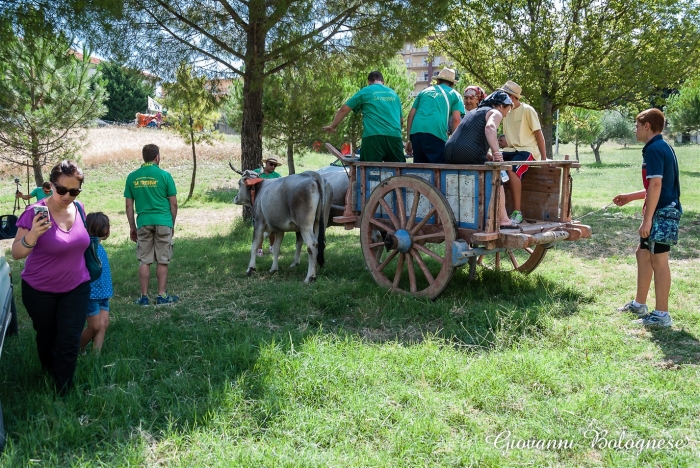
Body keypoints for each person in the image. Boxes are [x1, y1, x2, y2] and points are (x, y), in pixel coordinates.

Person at [11, 160, 90, 394]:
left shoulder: (79, 209)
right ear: (51, 186)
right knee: (47, 337)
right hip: (39, 291)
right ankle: (48, 372)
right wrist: (33, 234)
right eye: (62, 189)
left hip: (77, 286)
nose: (67, 195)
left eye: (74, 191)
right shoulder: (33, 213)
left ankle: (63, 390)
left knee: (69, 338)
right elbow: (16, 253)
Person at [614, 108, 681, 328]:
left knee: (659, 260)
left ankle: (662, 314)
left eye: (637, 125)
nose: (635, 129)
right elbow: (656, 186)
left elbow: (657, 185)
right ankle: (639, 304)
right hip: (659, 210)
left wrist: (647, 219)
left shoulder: (654, 149)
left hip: (663, 213)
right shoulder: (660, 146)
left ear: (647, 126)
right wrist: (630, 197)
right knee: (643, 254)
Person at [443, 90, 519, 228]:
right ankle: (503, 219)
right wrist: (496, 153)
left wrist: (487, 155)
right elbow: (490, 128)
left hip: (449, 151)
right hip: (467, 152)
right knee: (498, 178)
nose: (506, 114)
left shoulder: (473, 112)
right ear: (501, 106)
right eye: (508, 109)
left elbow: (471, 135)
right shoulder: (495, 112)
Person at [124, 144, 179, 306]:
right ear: (157, 157)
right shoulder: (165, 176)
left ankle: (144, 297)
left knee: (145, 260)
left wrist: (132, 227)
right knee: (162, 259)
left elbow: (129, 206)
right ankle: (161, 295)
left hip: (144, 222)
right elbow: (174, 204)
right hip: (163, 221)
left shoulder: (132, 177)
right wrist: (171, 224)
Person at [323, 71, 405, 163]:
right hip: (394, 137)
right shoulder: (394, 94)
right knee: (399, 172)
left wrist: (333, 126)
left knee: (370, 172)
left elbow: (344, 109)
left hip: (373, 137)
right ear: (383, 81)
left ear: (369, 82)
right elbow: (401, 121)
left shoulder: (365, 91)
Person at [499, 80, 547, 224]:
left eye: (504, 95)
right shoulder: (504, 111)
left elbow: (539, 134)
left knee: (513, 169)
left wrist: (543, 159)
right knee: (490, 165)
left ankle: (517, 212)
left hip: (527, 150)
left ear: (513, 97)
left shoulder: (527, 110)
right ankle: (497, 211)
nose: (501, 97)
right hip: (510, 150)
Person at [405, 67, 465, 164]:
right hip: (436, 134)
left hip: (416, 134)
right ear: (453, 84)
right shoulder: (455, 94)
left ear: (437, 80)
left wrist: (409, 139)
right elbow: (456, 120)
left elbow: (411, 115)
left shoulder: (424, 92)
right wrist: (454, 144)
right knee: (438, 170)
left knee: (420, 171)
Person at [80, 212, 112, 353]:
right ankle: (75, 350)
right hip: (91, 294)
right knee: (95, 326)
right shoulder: (88, 247)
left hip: (103, 292)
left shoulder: (99, 246)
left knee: (104, 324)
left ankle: (96, 357)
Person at [253, 156, 283, 256]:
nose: (273, 167)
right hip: (259, 203)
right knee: (259, 227)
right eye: (271, 164)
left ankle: (272, 247)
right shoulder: (257, 172)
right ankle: (259, 249)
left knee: (272, 227)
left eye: (275, 165)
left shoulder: (277, 176)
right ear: (266, 163)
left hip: (271, 203)